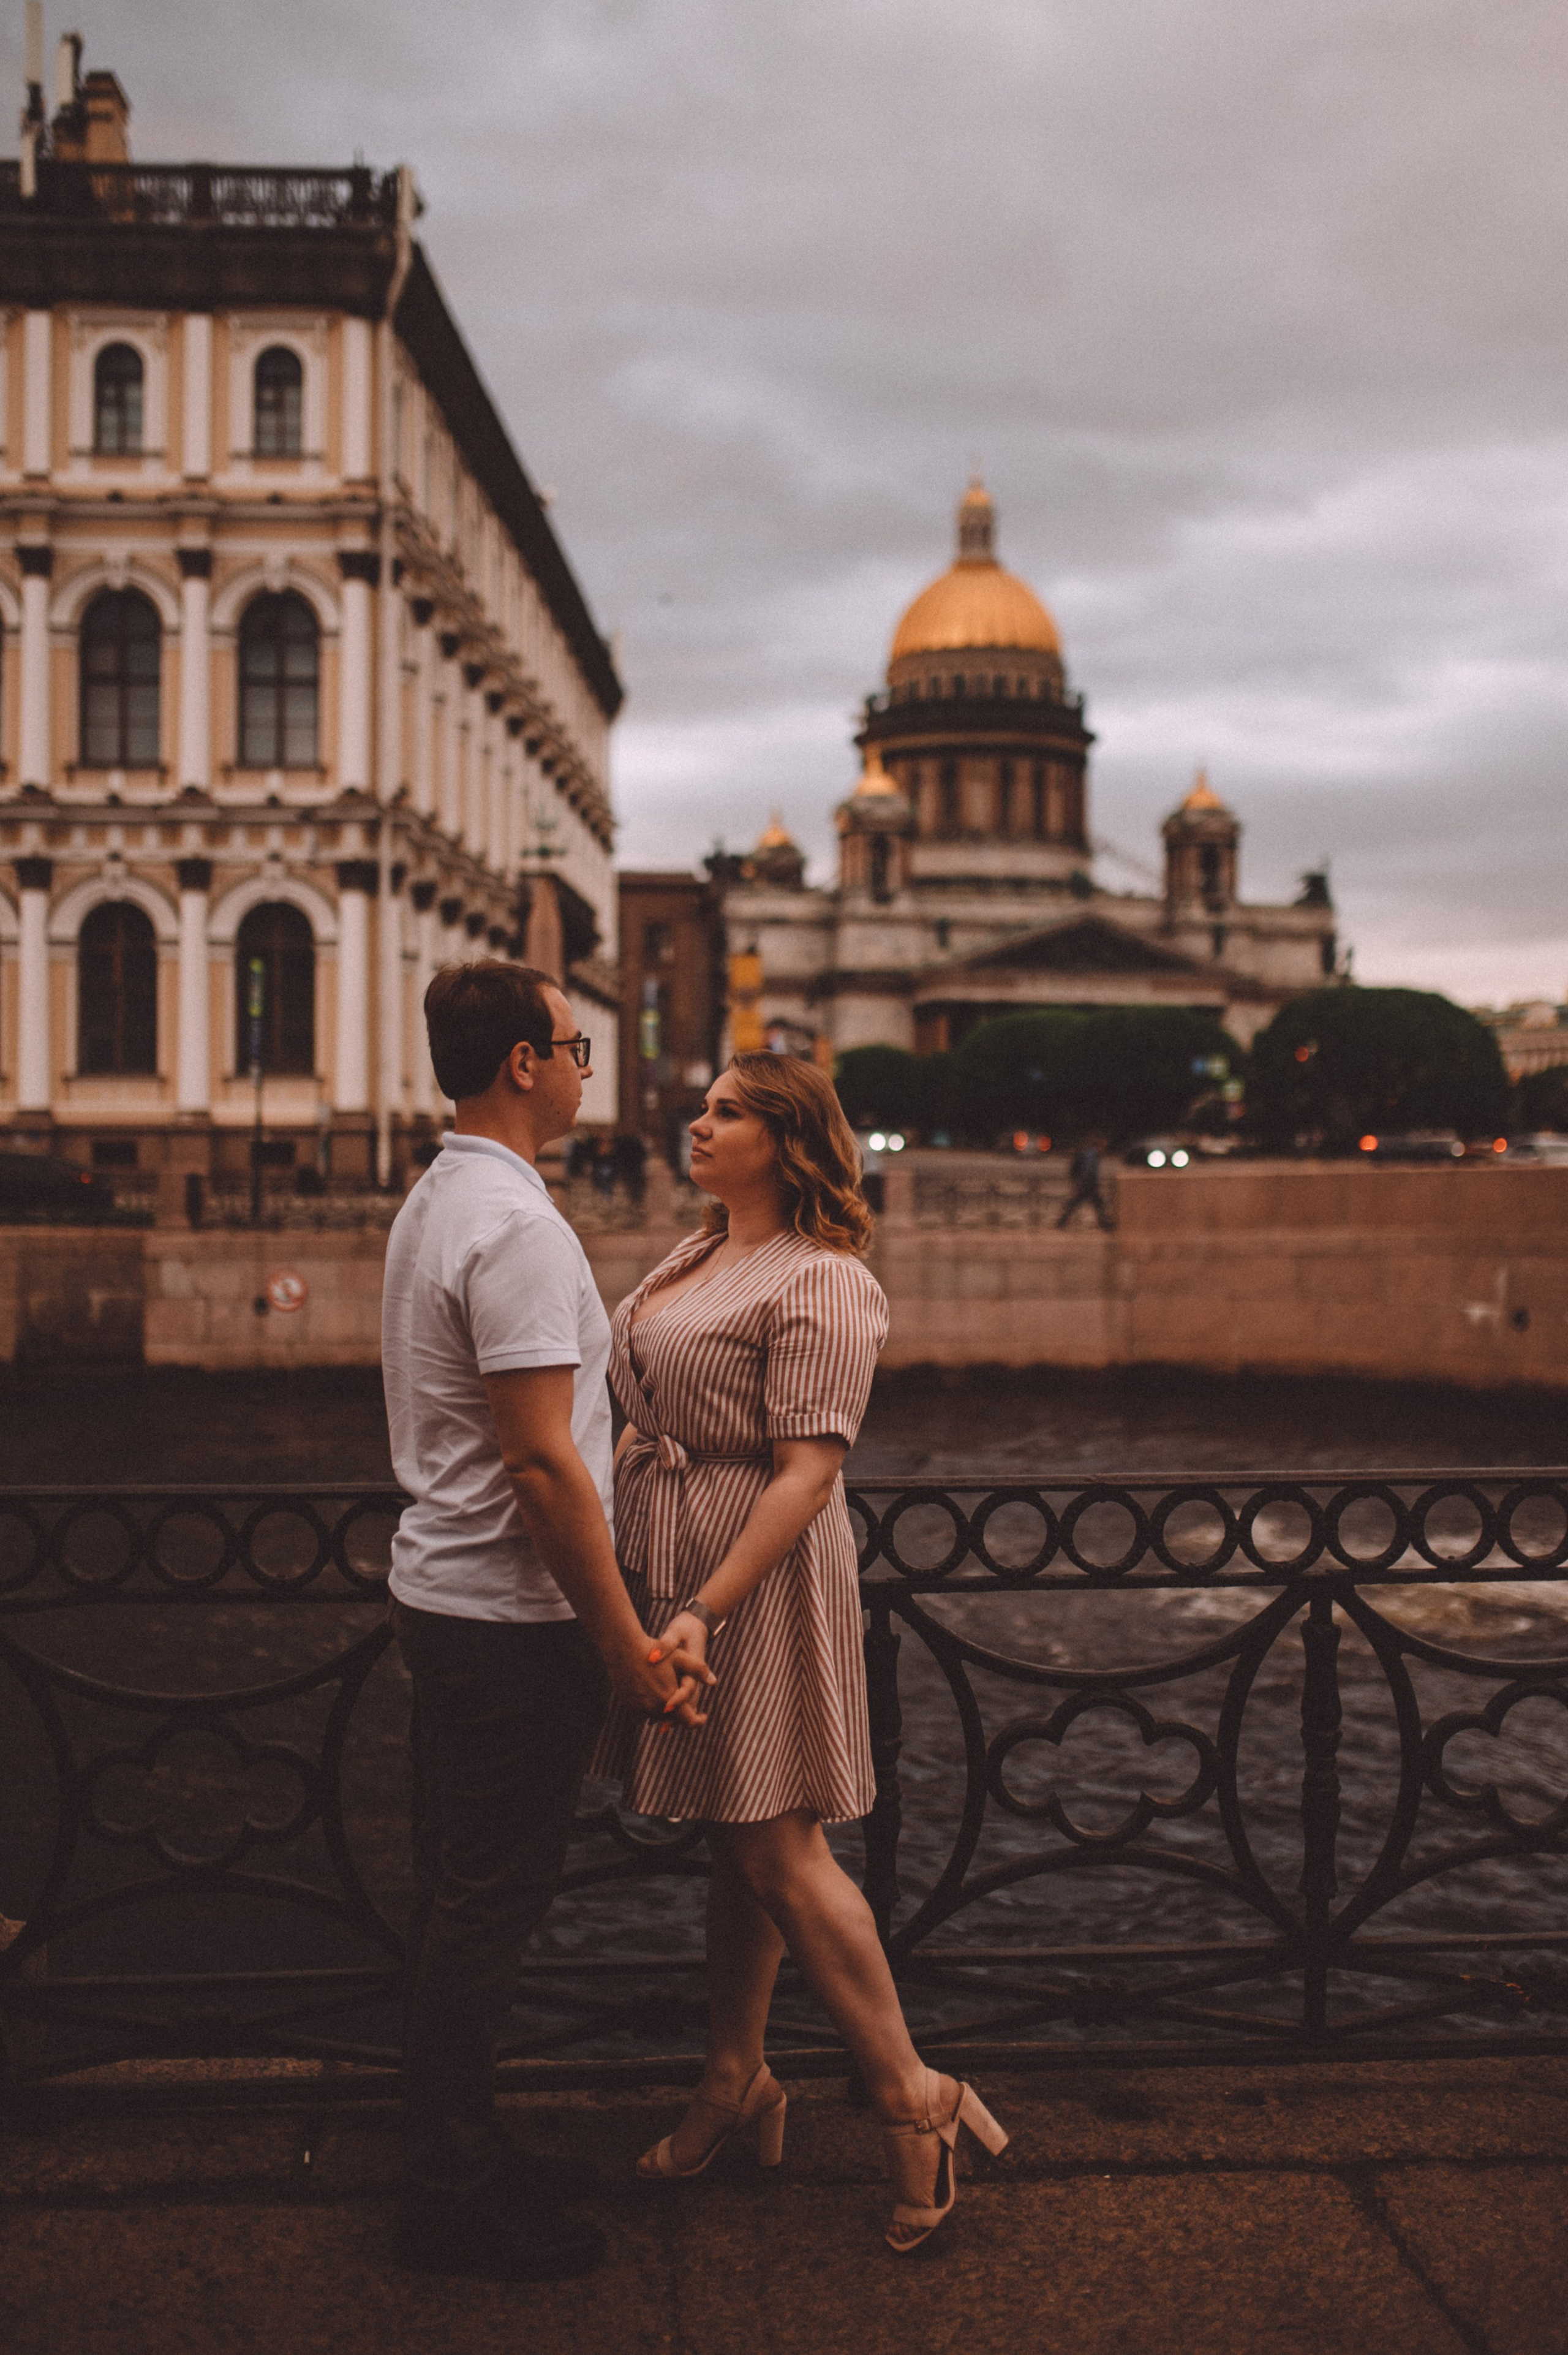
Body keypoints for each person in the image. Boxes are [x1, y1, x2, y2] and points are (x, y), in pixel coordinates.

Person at [594, 1052, 1008, 2255]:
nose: (696, 1123)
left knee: (775, 1842)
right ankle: (736, 2077)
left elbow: (809, 1470)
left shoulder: (822, 1280)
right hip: (687, 1561)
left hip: (750, 1581)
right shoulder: (700, 1250)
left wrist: (703, 1605)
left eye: (726, 1111)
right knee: (743, 1830)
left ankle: (910, 2092)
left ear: (786, 1141)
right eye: (703, 1106)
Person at [381, 961, 712, 2284]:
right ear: (523, 1061)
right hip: (510, 1616)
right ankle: (451, 2193)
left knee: (459, 1892)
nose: (587, 1062)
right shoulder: (514, 1227)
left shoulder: (441, 1193)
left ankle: (466, 2146)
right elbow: (538, 1462)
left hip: (447, 1592)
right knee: (485, 1905)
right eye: (574, 1042)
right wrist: (624, 1639)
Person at [1056, 1133, 1113, 1230]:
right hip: (1088, 1185)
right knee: (1095, 1204)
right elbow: (1089, 1171)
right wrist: (1084, 1183)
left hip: (1086, 1184)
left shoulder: (1090, 1153)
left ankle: (1062, 1222)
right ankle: (1104, 1224)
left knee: (1078, 1203)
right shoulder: (1092, 1155)